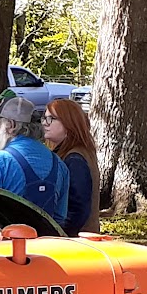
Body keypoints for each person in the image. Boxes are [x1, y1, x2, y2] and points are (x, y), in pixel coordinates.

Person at [0, 96, 69, 225]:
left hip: (7, 242)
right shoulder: (59, 164)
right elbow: (59, 217)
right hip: (47, 242)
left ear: (11, 126)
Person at [43, 97, 100, 234]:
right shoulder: (73, 152)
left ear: (69, 123)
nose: (45, 123)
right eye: (44, 118)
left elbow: (78, 209)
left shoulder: (75, 158)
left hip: (77, 241)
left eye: (51, 118)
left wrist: (59, 234)